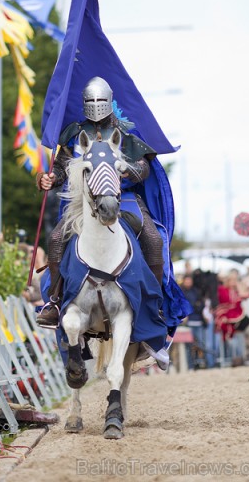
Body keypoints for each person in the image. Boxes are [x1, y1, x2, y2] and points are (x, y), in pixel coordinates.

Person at [36, 76, 165, 328]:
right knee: (55, 239)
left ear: (109, 101)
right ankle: (54, 301)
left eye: (100, 100)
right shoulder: (74, 133)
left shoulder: (126, 131)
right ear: (84, 102)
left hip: (123, 198)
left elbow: (144, 165)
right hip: (83, 202)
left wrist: (130, 169)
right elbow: (63, 167)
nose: (96, 105)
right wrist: (51, 178)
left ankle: (153, 303)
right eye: (91, 101)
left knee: (153, 239)